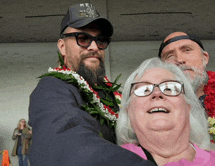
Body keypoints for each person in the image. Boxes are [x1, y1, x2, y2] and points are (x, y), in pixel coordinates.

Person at [28, 3, 155, 166]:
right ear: (62, 47)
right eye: (83, 38)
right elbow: (67, 143)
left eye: (100, 40)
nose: (94, 47)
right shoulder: (52, 88)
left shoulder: (115, 96)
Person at [116, 57, 214, 166]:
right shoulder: (113, 160)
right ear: (128, 112)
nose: (157, 93)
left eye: (169, 88)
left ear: (188, 107)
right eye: (144, 90)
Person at [158, 32, 215, 118]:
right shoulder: (156, 104)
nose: (179, 59)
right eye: (170, 56)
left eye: (187, 50)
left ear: (205, 58)